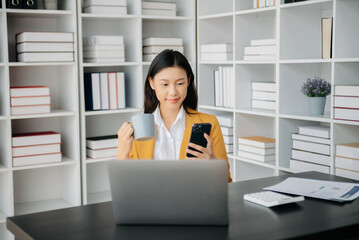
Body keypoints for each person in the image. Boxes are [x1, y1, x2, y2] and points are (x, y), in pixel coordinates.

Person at [117, 49, 232, 182]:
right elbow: (126, 186)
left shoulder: (209, 122)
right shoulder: (137, 129)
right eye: (164, 84)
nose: (173, 92)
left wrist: (213, 163)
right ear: (152, 83)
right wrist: (123, 152)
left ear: (188, 81)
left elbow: (227, 182)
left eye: (180, 83)